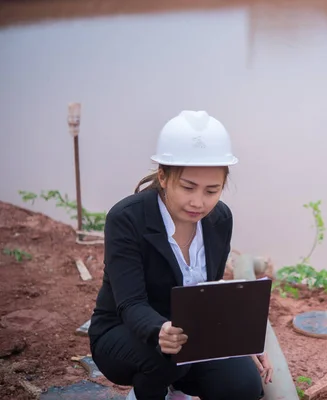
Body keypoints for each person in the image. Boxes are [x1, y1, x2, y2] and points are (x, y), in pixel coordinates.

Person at [88, 110, 272, 400]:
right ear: (163, 176)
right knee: (167, 361)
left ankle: (176, 385)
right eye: (188, 187)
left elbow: (208, 296)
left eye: (212, 191)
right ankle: (146, 394)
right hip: (123, 332)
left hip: (190, 335)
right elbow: (130, 303)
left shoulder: (220, 219)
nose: (198, 202)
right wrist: (160, 328)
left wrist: (243, 342)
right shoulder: (127, 218)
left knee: (243, 386)